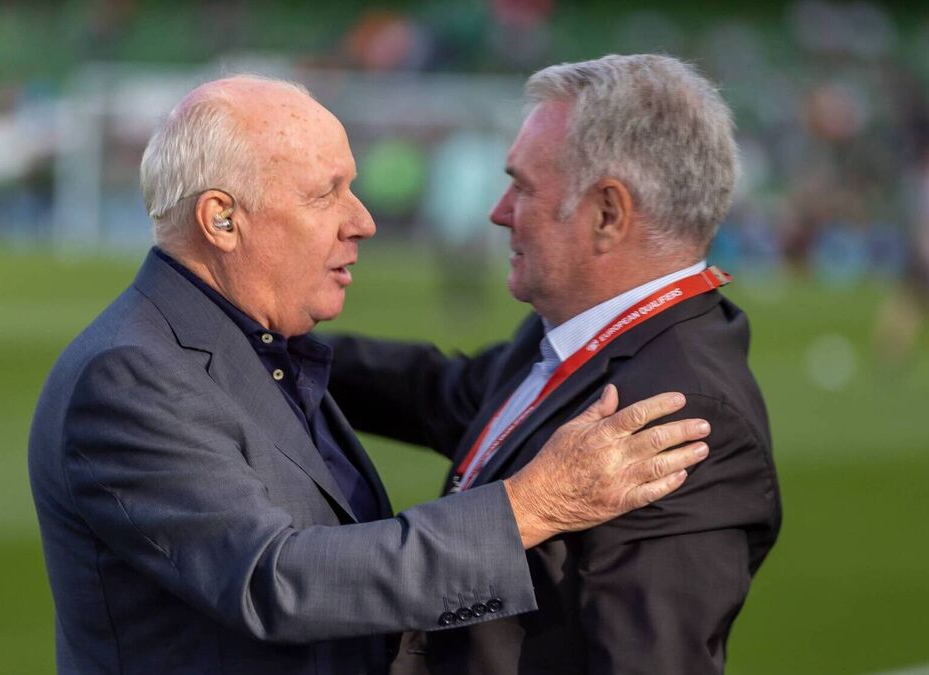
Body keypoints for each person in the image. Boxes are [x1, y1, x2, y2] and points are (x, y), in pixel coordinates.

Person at [27, 75, 712, 675]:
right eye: (326, 194)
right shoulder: (129, 378)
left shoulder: (262, 344)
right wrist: (531, 507)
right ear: (223, 219)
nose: (363, 221)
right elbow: (276, 581)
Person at [329, 54, 783, 673]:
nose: (499, 211)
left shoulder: (677, 415)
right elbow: (442, 392)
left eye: (522, 187)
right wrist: (272, 342)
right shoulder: (573, 331)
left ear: (608, 214)